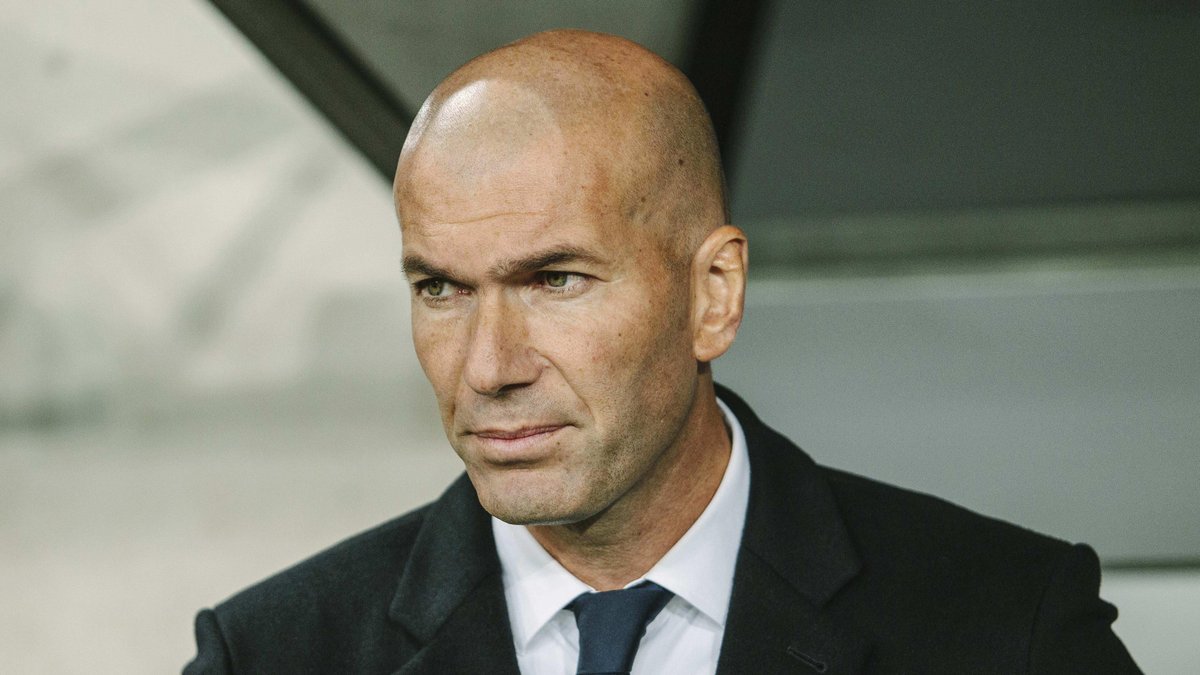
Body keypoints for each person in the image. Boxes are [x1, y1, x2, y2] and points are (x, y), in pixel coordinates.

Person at [184, 30, 1139, 674]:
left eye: (555, 279)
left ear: (712, 294)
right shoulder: (270, 656)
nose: (488, 367)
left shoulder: (1009, 630)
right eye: (441, 288)